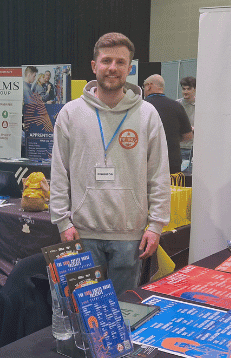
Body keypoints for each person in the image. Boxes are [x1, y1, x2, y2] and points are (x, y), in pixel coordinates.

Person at [50, 32, 170, 296]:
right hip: (82, 232)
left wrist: (156, 225)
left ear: (129, 68)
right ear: (94, 66)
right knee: (85, 310)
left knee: (125, 310)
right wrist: (62, 222)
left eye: (120, 62)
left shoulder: (147, 114)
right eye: (106, 61)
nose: (112, 68)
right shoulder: (70, 113)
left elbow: (159, 174)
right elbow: (59, 171)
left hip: (130, 235)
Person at [143, 75, 193, 174]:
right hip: (172, 163)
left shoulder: (141, 106)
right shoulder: (177, 106)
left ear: (149, 86)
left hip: (147, 163)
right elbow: (188, 136)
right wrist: (172, 139)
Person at [177, 76, 196, 173]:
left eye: (188, 89)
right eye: (184, 89)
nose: (185, 92)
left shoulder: (201, 105)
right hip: (179, 147)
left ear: (195, 89)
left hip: (194, 148)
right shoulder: (177, 105)